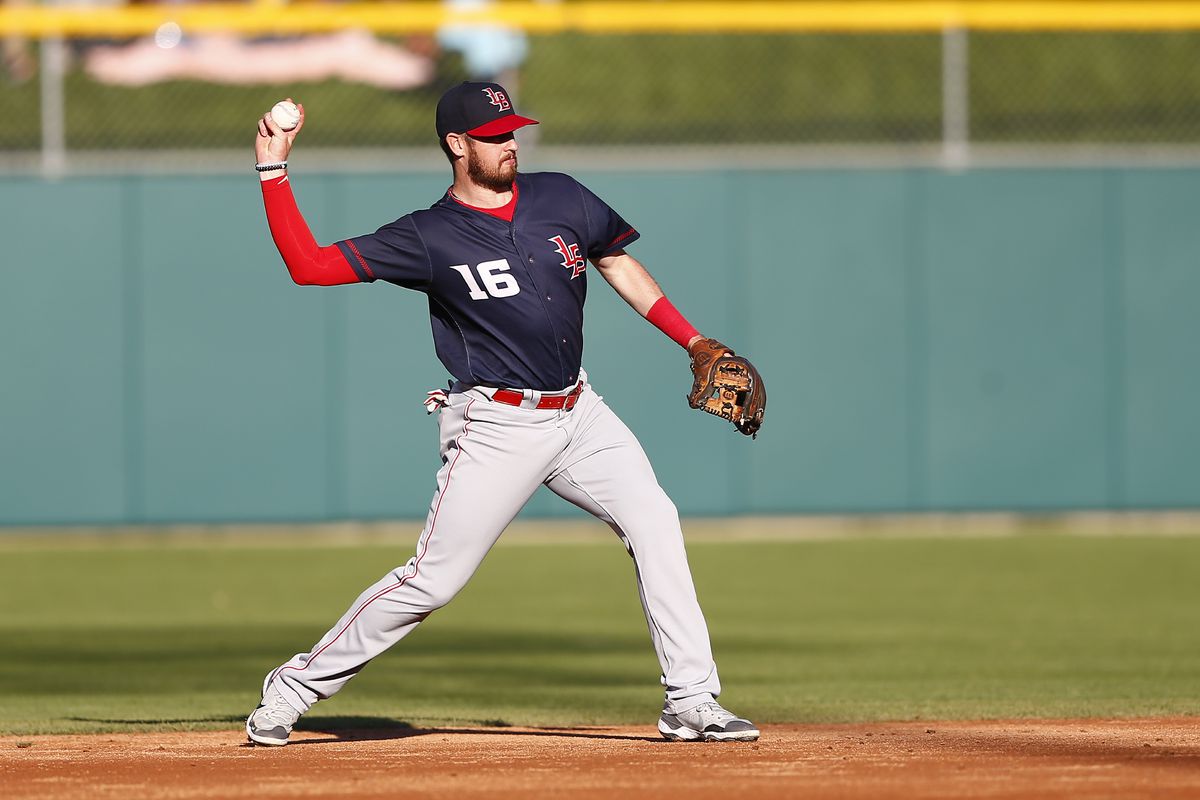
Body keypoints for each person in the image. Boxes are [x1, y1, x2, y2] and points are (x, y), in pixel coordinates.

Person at [245, 82, 761, 746]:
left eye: (512, 130)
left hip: (580, 411)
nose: (509, 142)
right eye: (493, 136)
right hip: (496, 424)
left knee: (656, 521)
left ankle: (691, 699)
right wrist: (273, 168)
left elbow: (615, 261)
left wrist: (692, 339)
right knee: (432, 582)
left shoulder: (561, 196)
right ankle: (291, 688)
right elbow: (309, 266)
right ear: (458, 146)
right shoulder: (428, 236)